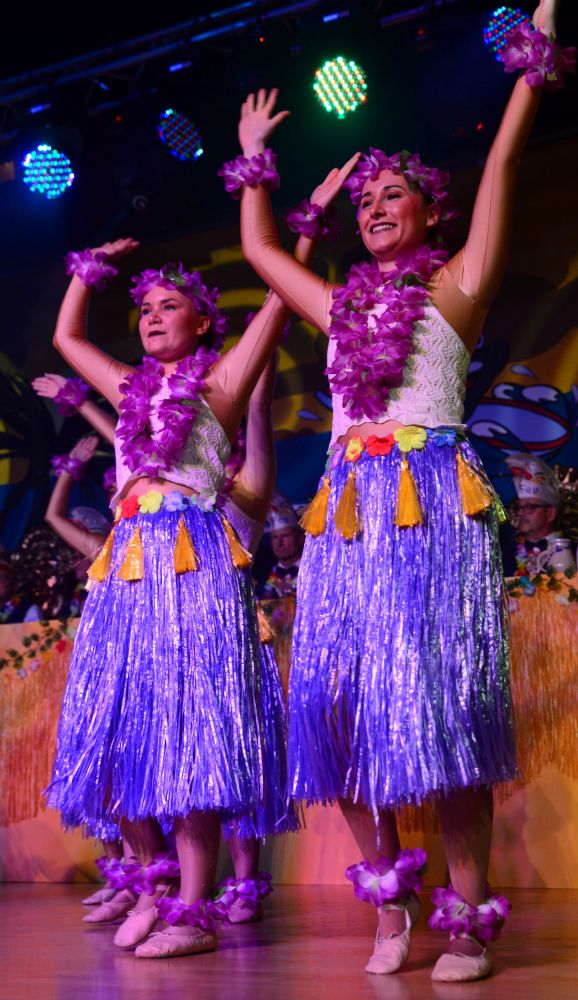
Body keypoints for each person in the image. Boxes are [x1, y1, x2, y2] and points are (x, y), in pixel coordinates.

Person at [230, 0, 571, 982]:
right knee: (337, 712)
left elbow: (502, 162)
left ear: (431, 213)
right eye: (366, 199)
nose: (376, 206)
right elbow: (260, 256)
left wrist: (532, 65)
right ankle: (390, 902)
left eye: (394, 195)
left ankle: (466, 918)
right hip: (346, 516)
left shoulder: (456, 287)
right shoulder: (340, 307)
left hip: (430, 508)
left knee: (442, 710)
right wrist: (254, 162)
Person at [45, 240, 306, 959]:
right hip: (127, 565)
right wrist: (88, 270)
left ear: (203, 322)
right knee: (120, 726)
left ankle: (193, 909)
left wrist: (301, 230)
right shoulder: (129, 386)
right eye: (145, 309)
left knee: (193, 730)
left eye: (170, 306)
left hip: (192, 558)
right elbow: (68, 338)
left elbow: (280, 302)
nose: (153, 317)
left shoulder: (221, 384)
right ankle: (153, 884)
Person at [506, 451, 575, 574]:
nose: (521, 513)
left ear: (550, 513)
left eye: (530, 507)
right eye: (519, 507)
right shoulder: (505, 557)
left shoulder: (572, 552)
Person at [260, 495, 305, 599]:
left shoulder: (311, 571)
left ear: (300, 538)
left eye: (285, 536)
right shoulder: (263, 575)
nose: (279, 543)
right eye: (275, 537)